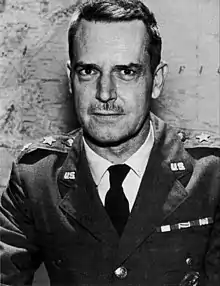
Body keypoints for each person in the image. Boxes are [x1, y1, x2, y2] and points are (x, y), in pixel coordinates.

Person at [0, 0, 220, 285]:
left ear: (156, 81)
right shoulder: (36, 176)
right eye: (88, 71)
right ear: (71, 79)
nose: (105, 93)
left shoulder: (211, 174)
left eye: (127, 72)